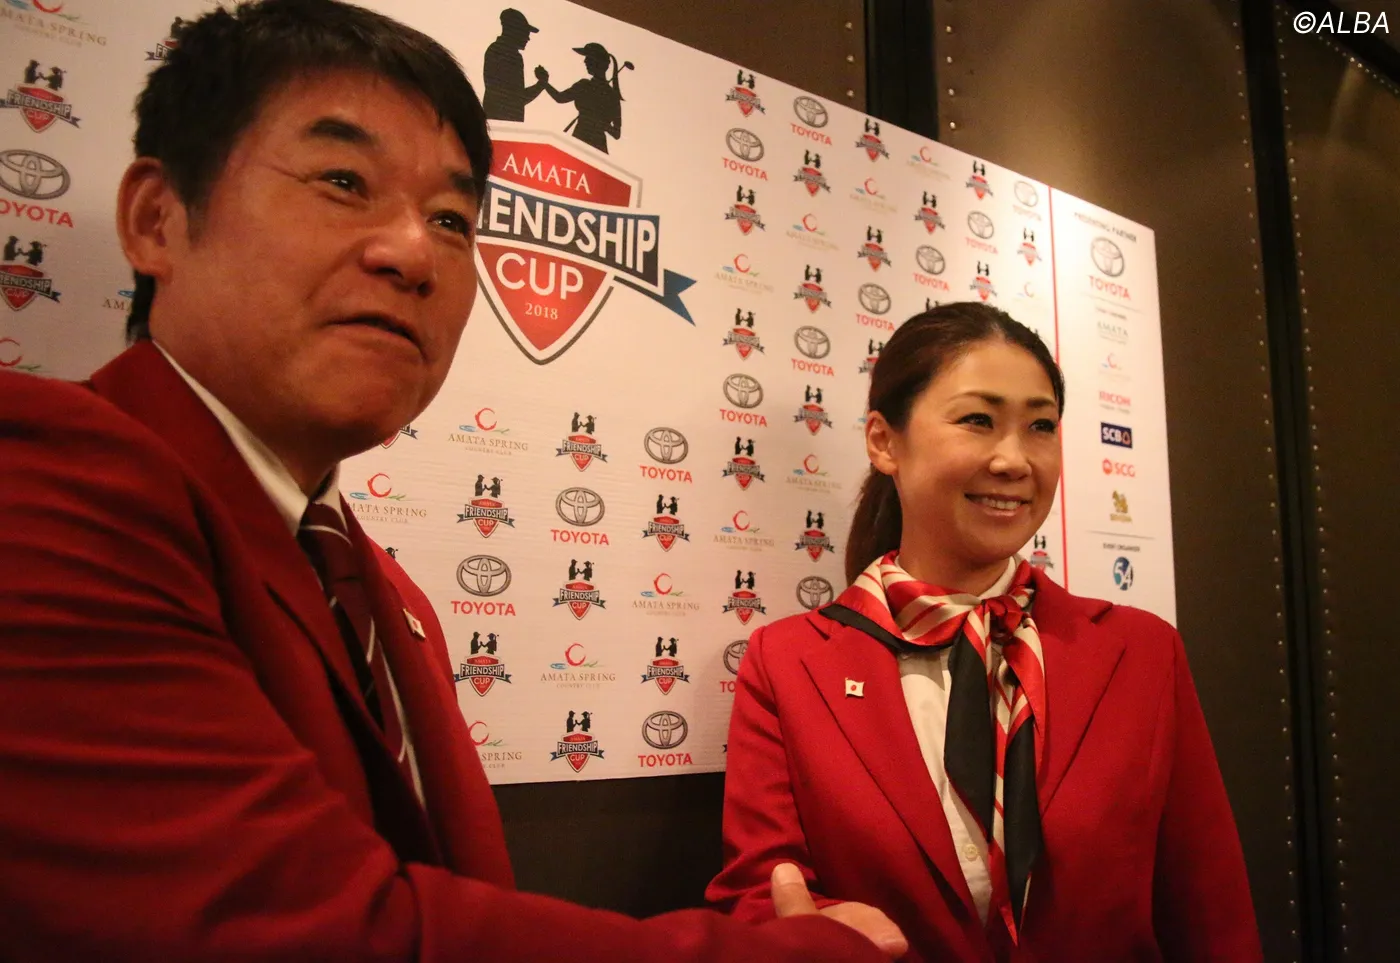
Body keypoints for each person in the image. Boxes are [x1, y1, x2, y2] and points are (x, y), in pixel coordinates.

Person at [0, 2, 905, 961]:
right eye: (343, 181)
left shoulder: (387, 595)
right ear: (158, 219)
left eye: (451, 220)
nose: (412, 254)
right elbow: (306, 929)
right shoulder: (45, 478)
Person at [708, 302, 1262, 962]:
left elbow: (1212, 913)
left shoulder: (1141, 652)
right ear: (884, 441)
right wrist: (814, 934)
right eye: (978, 420)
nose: (1014, 460)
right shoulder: (788, 662)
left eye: (1040, 426)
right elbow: (760, 894)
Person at [542, 42, 625, 153]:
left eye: (588, 58)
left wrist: (597, 121)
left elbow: (616, 133)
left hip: (595, 144)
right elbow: (560, 98)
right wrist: (544, 83)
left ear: (597, 63)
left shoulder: (611, 94)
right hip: (580, 138)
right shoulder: (585, 85)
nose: (585, 61)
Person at [480, 7, 549, 122]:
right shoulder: (506, 54)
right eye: (525, 32)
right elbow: (515, 99)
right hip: (502, 121)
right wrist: (542, 83)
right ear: (514, 31)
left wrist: (541, 84)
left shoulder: (500, 51)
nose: (528, 38)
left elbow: (514, 98)